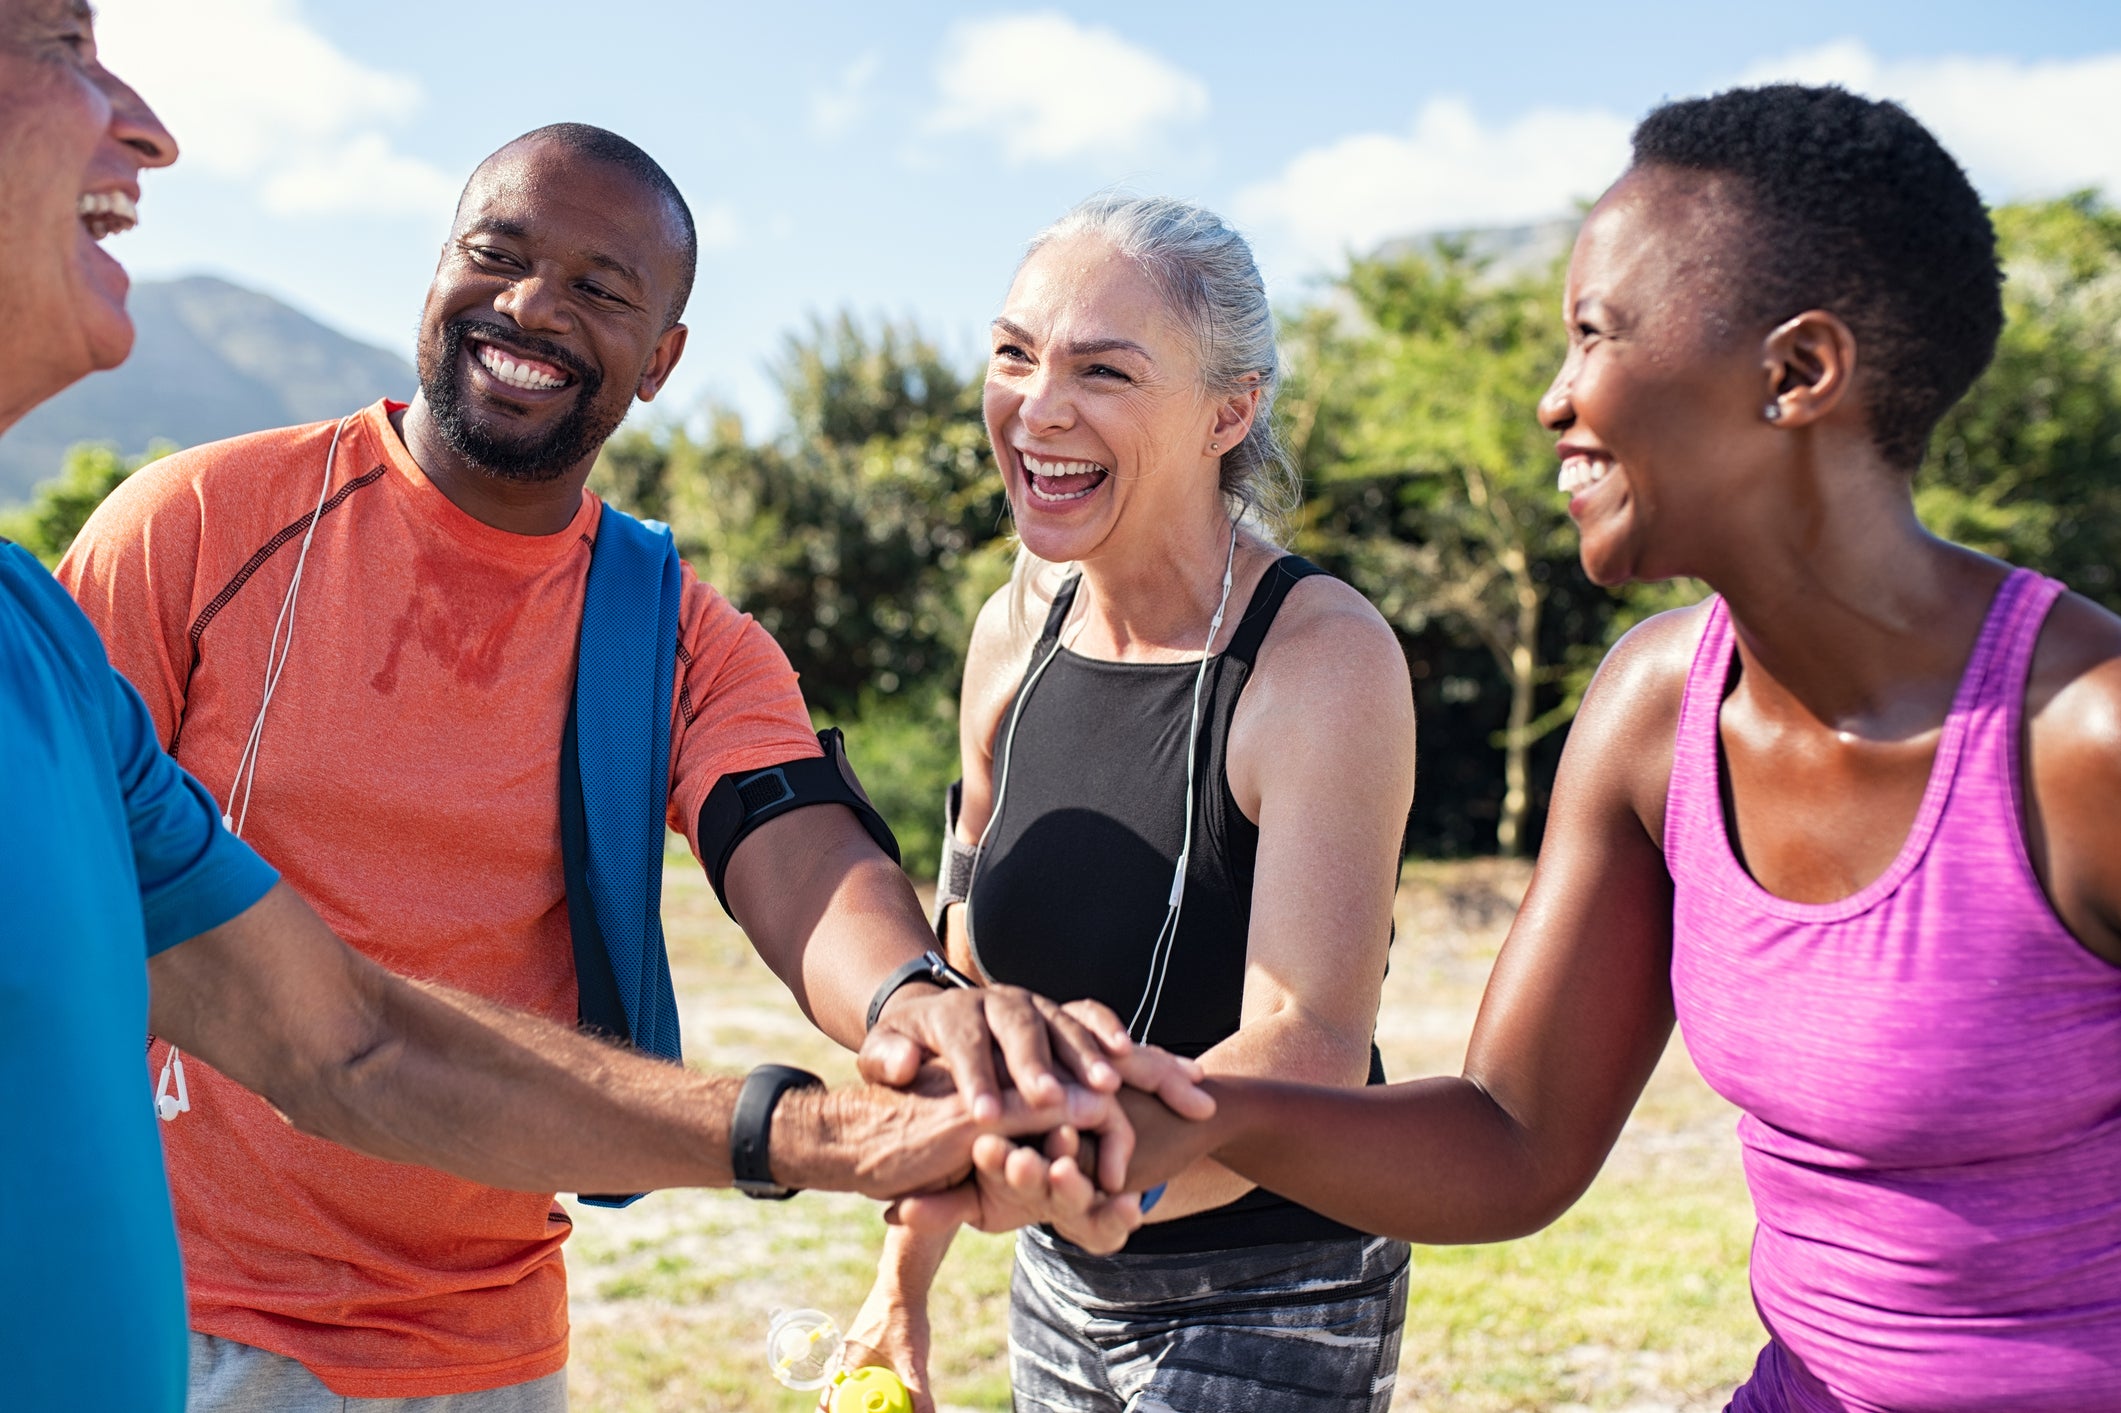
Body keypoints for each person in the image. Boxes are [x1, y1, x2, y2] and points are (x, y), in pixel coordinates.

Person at [0, 7, 1192, 1413]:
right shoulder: (199, 525)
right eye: (495, 255)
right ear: (435, 271)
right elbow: (142, 937)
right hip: (190, 1316)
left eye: (598, 286)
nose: (530, 307)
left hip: (491, 1342)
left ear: (665, 355)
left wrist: (919, 1008)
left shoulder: (671, 630)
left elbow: (791, 841)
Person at [1064, 84, 2121, 1411]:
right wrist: (1195, 1111)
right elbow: (1511, 1141)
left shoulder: (2083, 743)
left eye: (1593, 335)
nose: (1555, 401)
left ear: (1797, 373)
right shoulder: (1653, 708)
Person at [841, 195, 1419, 1413]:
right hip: (1057, 1276)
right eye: (1014, 354)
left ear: (1231, 410)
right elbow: (964, 985)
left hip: (1278, 1287)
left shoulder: (1319, 660)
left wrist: (1070, 1175)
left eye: (1102, 370)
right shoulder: (1010, 635)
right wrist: (905, 1271)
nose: (1039, 407)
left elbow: (1307, 1047)